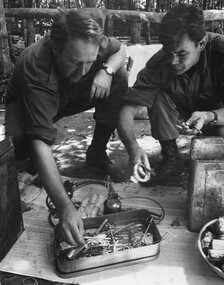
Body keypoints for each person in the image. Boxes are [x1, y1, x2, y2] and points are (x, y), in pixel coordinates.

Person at [5, 10, 128, 245]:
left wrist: (106, 71)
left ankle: (97, 154)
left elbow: (120, 50)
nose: (84, 71)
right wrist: (65, 208)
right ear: (55, 48)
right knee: (22, 139)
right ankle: (28, 166)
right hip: (28, 100)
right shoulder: (37, 66)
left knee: (119, 75)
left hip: (71, 93)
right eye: (75, 62)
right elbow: (40, 140)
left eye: (89, 62)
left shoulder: (91, 41)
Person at [118, 4, 224, 184]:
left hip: (217, 115)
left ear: (202, 43)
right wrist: (132, 147)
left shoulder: (221, 53)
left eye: (182, 54)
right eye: (169, 52)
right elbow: (126, 111)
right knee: (157, 95)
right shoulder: (159, 63)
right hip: (181, 113)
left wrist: (208, 116)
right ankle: (171, 157)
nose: (173, 61)